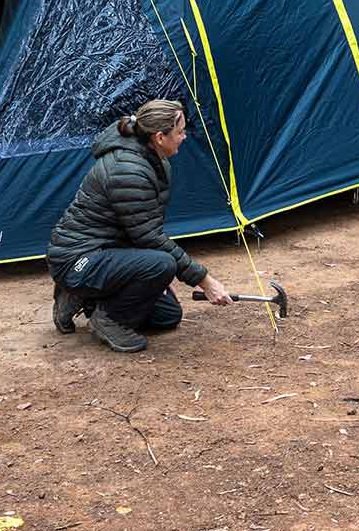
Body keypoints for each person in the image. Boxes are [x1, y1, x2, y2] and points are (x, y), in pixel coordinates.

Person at [47, 98, 232, 352]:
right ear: (159, 137)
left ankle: (88, 297)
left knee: (167, 315)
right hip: (76, 259)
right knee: (162, 264)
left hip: (106, 252)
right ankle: (105, 317)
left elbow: (141, 228)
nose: (184, 136)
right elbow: (150, 238)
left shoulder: (153, 158)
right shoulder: (128, 170)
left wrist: (152, 277)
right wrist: (204, 280)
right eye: (179, 132)